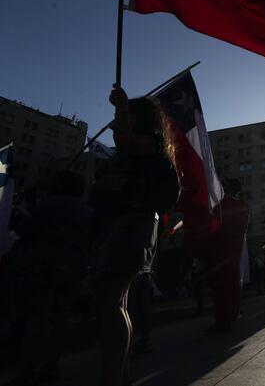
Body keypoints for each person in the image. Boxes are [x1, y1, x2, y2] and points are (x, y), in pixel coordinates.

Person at [91, 87, 180, 386]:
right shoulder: (145, 152)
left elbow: (125, 139)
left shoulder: (148, 142)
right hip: (127, 228)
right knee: (117, 303)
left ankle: (112, 379)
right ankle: (120, 375)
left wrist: (120, 108)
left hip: (132, 228)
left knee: (110, 302)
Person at [11, 171, 92, 384]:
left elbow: (24, 230)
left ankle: (27, 370)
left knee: (37, 319)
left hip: (43, 268)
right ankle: (51, 367)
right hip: (73, 270)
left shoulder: (50, 205)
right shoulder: (86, 211)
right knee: (60, 320)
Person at [203, 178, 248, 332]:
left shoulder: (220, 207)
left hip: (220, 251)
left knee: (220, 286)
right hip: (234, 251)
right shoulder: (241, 206)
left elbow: (214, 227)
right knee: (231, 284)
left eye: (224, 184)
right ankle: (229, 315)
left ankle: (222, 320)